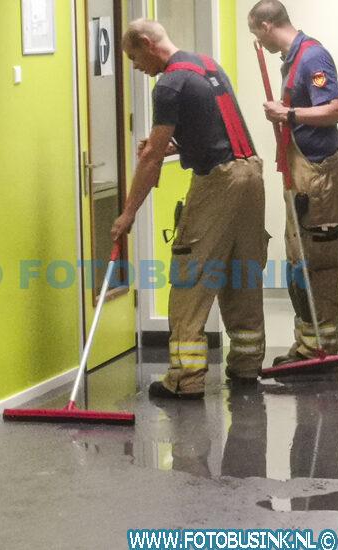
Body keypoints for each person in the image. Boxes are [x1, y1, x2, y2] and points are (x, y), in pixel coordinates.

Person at [111, 19, 268, 399]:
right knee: (241, 273)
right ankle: (246, 366)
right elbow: (216, 129)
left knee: (188, 278)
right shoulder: (208, 66)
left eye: (134, 58)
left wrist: (127, 214)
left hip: (218, 182)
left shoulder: (169, 84)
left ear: (147, 43)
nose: (136, 67)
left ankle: (186, 378)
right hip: (251, 174)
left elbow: (149, 159)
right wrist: (177, 146)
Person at [248, 0, 338, 367]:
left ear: (266, 26)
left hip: (319, 174)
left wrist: (288, 113)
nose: (259, 43)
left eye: (257, 34)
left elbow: (337, 110)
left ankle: (320, 349)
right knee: (299, 261)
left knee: (317, 263)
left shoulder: (312, 57)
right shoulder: (292, 61)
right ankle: (307, 344)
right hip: (302, 173)